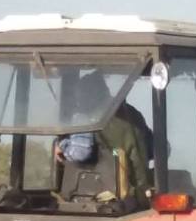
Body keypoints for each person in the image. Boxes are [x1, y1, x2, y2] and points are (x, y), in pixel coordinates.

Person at [56, 71, 152, 208]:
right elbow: (156, 150)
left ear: (89, 96)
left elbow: (80, 152)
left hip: (110, 200)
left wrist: (62, 146)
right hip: (140, 197)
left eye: (80, 96)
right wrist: (118, 152)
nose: (78, 101)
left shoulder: (87, 118)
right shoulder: (133, 114)